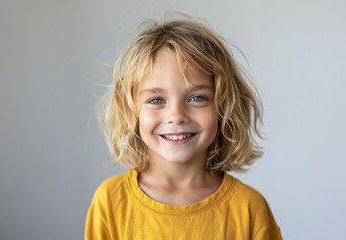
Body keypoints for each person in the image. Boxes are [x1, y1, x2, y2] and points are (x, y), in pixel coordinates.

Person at [85, 13, 283, 240]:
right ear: (132, 110)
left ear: (224, 106)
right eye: (157, 100)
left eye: (197, 98)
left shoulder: (249, 208)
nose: (176, 116)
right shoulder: (109, 201)